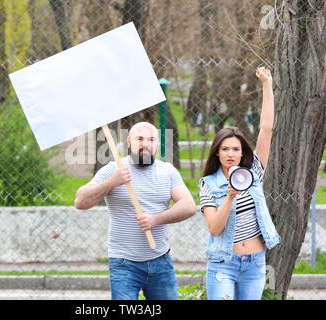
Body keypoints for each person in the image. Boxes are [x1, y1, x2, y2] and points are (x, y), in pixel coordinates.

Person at [74, 121, 197, 300]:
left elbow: (188, 206)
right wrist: (111, 182)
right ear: (129, 142)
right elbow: (80, 201)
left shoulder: (167, 172)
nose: (145, 144)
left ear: (157, 144)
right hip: (124, 263)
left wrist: (156, 219)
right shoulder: (113, 170)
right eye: (140, 139)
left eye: (151, 139)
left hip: (161, 260)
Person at [198, 67, 281, 300]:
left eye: (236, 148)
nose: (230, 153)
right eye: (225, 149)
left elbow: (266, 128)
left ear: (243, 151)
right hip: (223, 263)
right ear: (217, 153)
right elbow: (214, 228)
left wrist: (267, 85)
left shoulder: (253, 172)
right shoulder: (208, 184)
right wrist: (230, 196)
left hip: (255, 264)